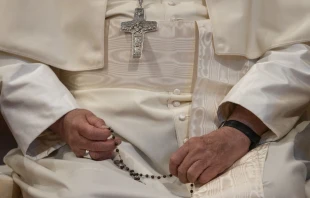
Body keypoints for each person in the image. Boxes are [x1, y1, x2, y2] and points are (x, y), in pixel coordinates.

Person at [0, 0, 310, 197]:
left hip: (235, 131)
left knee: (271, 189)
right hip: (98, 149)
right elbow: (12, 57)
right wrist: (62, 117)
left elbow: (299, 48)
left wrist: (241, 129)